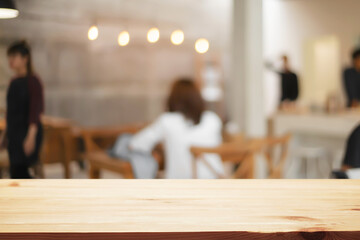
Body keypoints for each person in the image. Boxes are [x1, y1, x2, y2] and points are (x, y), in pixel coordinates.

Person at [129, 78, 224, 179]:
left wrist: (158, 150)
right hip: (214, 182)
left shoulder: (167, 121)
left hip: (180, 186)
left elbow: (135, 144)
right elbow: (217, 147)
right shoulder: (212, 119)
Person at [0, 40, 44, 179]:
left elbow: (35, 111)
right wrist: (5, 135)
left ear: (25, 59)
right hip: (14, 134)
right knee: (15, 170)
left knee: (21, 172)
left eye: (14, 56)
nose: (11, 60)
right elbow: (10, 112)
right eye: (9, 56)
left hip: (27, 133)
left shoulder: (33, 81)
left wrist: (30, 137)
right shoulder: (13, 82)